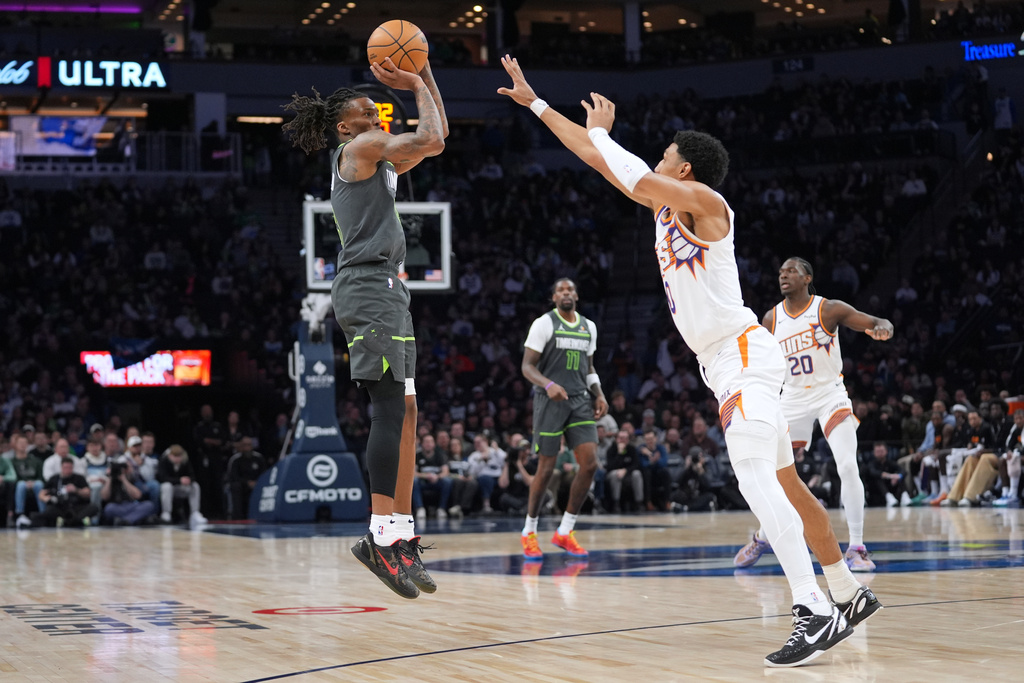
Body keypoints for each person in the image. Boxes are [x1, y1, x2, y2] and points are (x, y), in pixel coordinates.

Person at [498, 56, 879, 666]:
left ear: (687, 167)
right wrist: (538, 105)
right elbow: (603, 162)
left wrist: (603, 131)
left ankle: (811, 609)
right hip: (728, 361)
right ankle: (847, 592)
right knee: (787, 483)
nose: (656, 159)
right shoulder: (663, 205)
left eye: (665, 154)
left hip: (744, 354)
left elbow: (633, 174)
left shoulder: (707, 202)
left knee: (755, 480)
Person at [282, 52, 447, 599]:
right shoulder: (357, 149)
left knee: (408, 411)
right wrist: (415, 80)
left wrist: (422, 79)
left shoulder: (376, 159)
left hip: (390, 291)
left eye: (378, 109)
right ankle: (379, 536)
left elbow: (436, 140)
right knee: (388, 409)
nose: (377, 115)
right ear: (342, 125)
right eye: (365, 110)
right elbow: (425, 136)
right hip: (368, 287)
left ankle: (399, 536)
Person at [735, 257, 894, 572]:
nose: (784, 275)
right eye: (780, 271)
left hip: (829, 394)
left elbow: (877, 321)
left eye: (791, 270)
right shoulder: (771, 318)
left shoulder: (827, 309)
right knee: (775, 474)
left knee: (848, 465)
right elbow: (760, 362)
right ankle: (763, 535)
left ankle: (857, 548)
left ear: (807, 278)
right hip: (791, 398)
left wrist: (882, 330)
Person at [519, 278, 608, 560]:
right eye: (560, 290)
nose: (566, 293)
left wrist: (600, 393)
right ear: (554, 297)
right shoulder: (544, 324)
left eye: (570, 289)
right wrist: (548, 385)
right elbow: (527, 366)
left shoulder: (588, 326)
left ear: (576, 296)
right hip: (550, 401)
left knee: (590, 464)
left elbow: (589, 368)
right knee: (545, 469)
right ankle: (529, 532)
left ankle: (565, 530)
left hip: (580, 400)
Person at [32, 457, 98, 528]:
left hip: (77, 506)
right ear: (61, 467)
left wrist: (76, 490)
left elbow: (88, 492)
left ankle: (73, 520)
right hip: (60, 506)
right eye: (65, 467)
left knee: (93, 507)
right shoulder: (54, 479)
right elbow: (41, 494)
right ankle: (71, 521)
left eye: (70, 468)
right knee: (49, 510)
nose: (67, 470)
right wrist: (47, 499)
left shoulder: (79, 478)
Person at [157, 445, 207, 527]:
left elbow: (193, 476)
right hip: (169, 490)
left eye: (179, 456)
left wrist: (188, 480)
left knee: (195, 485)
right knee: (166, 486)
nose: (177, 459)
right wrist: (179, 480)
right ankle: (166, 513)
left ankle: (195, 513)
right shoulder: (164, 461)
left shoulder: (185, 461)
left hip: (181, 489)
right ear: (170, 456)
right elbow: (162, 478)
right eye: (175, 456)